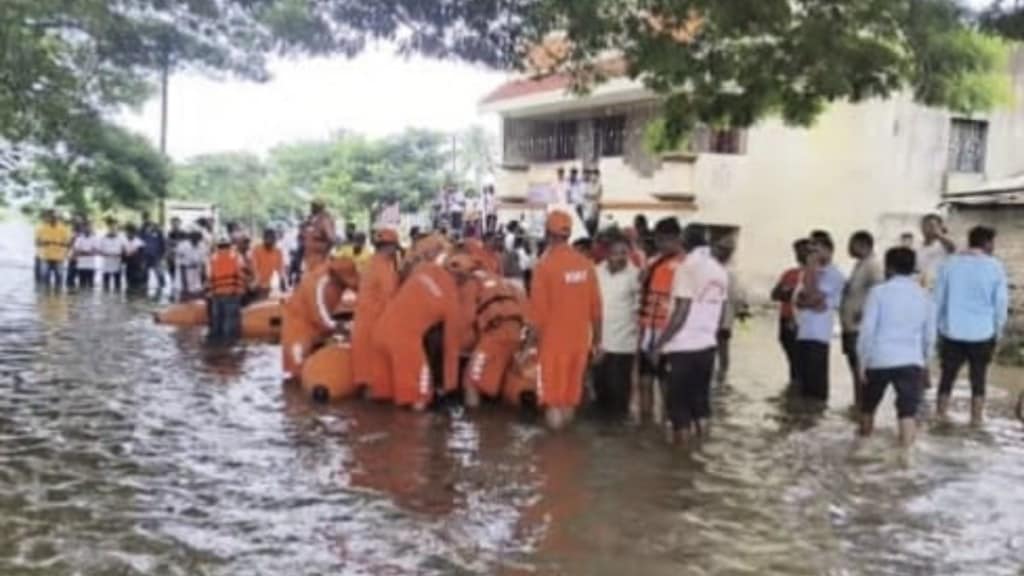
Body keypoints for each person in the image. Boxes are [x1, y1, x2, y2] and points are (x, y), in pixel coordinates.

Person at [650, 224, 728, 444]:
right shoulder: (719, 269)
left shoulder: (687, 268)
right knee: (701, 405)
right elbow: (721, 313)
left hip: (683, 347)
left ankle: (681, 461)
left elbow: (681, 312)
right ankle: (701, 451)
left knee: (679, 409)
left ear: (684, 241)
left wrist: (659, 345)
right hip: (707, 347)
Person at [529, 210, 602, 430]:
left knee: (552, 400)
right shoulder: (585, 264)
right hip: (579, 344)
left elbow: (537, 315)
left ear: (547, 233)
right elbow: (597, 309)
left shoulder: (544, 266)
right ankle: (567, 452)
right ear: (568, 234)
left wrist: (528, 345)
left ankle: (554, 455)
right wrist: (597, 342)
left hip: (552, 346)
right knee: (569, 400)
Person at [857, 247, 935, 449]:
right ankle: (906, 459)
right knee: (907, 412)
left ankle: (862, 450)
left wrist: (862, 361)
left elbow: (867, 331)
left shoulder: (878, 293)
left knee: (868, 407)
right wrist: (926, 362)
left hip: (879, 359)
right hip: (911, 360)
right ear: (912, 268)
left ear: (888, 267)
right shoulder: (924, 296)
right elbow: (929, 335)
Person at [370, 253, 471, 410]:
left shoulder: (424, 269)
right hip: (404, 344)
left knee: (384, 400)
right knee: (420, 399)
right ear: (462, 280)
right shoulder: (452, 301)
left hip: (379, 334)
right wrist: (449, 388)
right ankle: (414, 433)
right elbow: (451, 349)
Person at [934, 225, 1009, 425]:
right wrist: (998, 332)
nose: (993, 246)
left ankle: (940, 416)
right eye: (992, 242)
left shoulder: (950, 264)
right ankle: (976, 421)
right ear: (986, 243)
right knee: (979, 379)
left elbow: (938, 300)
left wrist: (938, 329)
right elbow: (1000, 305)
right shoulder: (995, 267)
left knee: (947, 377)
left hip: (952, 332)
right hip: (983, 333)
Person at [280, 257, 361, 382]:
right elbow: (322, 319)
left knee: (317, 352)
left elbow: (361, 289)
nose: (345, 286)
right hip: (299, 323)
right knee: (296, 368)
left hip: (319, 325)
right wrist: (346, 328)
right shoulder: (317, 283)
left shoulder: (346, 275)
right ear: (335, 276)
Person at [637, 217, 685, 424]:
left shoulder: (685, 265)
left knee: (666, 385)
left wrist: (664, 341)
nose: (662, 244)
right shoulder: (652, 262)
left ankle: (668, 424)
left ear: (677, 238)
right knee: (644, 381)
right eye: (659, 240)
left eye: (666, 239)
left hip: (669, 333)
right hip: (648, 329)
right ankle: (646, 426)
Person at [794, 231, 847, 401]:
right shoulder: (810, 272)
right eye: (810, 251)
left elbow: (813, 297)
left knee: (816, 388)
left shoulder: (834, 274)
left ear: (828, 250)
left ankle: (816, 421)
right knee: (803, 386)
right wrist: (809, 299)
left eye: (816, 250)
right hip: (803, 332)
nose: (811, 255)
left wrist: (810, 269)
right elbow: (800, 300)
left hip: (819, 335)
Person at [463, 269, 527, 408]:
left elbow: (466, 320)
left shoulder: (470, 284)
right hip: (516, 335)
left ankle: (474, 422)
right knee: (500, 384)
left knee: (471, 382)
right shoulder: (503, 282)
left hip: (495, 335)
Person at [594, 232, 641, 419]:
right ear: (607, 254)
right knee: (599, 393)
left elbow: (640, 311)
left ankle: (619, 438)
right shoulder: (596, 271)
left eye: (624, 253)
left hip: (623, 346)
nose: (620, 257)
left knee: (619, 396)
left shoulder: (636, 276)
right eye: (616, 253)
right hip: (599, 344)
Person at [352, 228, 401, 396]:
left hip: (365, 323)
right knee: (373, 380)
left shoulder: (375, 262)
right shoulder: (382, 267)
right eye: (395, 247)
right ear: (390, 246)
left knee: (367, 377)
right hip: (373, 326)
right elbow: (390, 298)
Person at [840, 231, 884, 409]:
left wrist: (865, 311)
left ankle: (863, 406)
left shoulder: (873, 265)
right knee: (855, 369)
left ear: (862, 244)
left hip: (860, 328)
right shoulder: (860, 264)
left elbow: (879, 290)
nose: (848, 248)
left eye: (851, 244)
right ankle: (858, 403)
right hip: (850, 326)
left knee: (861, 369)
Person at [771, 239, 811, 387]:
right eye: (797, 252)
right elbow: (774, 294)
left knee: (801, 360)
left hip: (802, 321)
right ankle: (794, 387)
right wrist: (790, 294)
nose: (799, 255)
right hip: (785, 319)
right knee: (793, 359)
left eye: (802, 251)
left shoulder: (813, 275)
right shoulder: (789, 273)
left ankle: (799, 387)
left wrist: (790, 293)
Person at [712, 231, 748, 383]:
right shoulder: (729, 273)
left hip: (720, 319)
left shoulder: (728, 273)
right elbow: (740, 297)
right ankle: (721, 378)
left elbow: (738, 296)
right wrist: (741, 313)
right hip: (720, 319)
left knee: (720, 349)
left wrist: (741, 312)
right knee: (722, 349)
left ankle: (721, 378)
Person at [206, 236, 246, 343]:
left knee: (217, 321)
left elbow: (208, 276)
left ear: (218, 246)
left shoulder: (212, 258)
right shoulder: (236, 256)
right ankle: (229, 344)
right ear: (229, 245)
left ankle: (217, 344)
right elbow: (242, 271)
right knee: (230, 321)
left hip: (217, 294)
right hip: (232, 293)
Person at [35, 209, 72, 289]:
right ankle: (46, 297)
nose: (53, 218)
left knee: (59, 278)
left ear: (58, 217)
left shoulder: (64, 229)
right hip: (45, 257)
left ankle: (58, 297)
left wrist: (59, 243)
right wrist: (44, 242)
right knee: (45, 278)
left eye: (55, 217)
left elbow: (69, 244)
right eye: (51, 216)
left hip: (59, 257)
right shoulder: (41, 229)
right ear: (48, 217)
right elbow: (37, 243)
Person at [917, 214, 955, 290]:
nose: (927, 228)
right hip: (922, 290)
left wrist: (939, 234)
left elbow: (952, 248)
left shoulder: (943, 244)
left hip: (940, 289)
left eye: (932, 226)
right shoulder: (917, 247)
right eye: (924, 225)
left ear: (939, 227)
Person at [301, 199, 337, 275]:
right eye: (312, 206)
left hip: (319, 259)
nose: (311, 208)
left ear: (319, 208)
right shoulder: (312, 220)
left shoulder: (324, 220)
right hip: (309, 258)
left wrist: (324, 254)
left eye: (313, 206)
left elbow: (331, 240)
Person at [250, 228, 287, 301]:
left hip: (268, 285)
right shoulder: (257, 249)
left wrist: (282, 281)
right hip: (256, 285)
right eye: (269, 239)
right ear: (264, 239)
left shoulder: (278, 251)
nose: (272, 242)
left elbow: (280, 269)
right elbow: (254, 268)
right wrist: (256, 284)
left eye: (274, 239)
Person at [176, 229, 207, 300]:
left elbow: (203, 261)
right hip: (186, 269)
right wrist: (183, 278)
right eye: (194, 239)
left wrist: (204, 274)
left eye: (198, 239)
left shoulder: (202, 246)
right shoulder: (183, 246)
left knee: (197, 289)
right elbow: (179, 261)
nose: (196, 241)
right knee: (186, 290)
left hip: (197, 270)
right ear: (190, 238)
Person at [98, 219, 126, 292]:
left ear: (116, 228)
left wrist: (120, 254)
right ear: (108, 228)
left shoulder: (121, 238)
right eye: (111, 228)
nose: (112, 229)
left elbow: (124, 250)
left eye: (114, 228)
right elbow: (99, 250)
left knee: (117, 285)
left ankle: (117, 301)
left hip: (117, 263)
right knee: (105, 286)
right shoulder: (103, 238)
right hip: (106, 264)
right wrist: (104, 253)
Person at [140, 212, 167, 289]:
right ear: (143, 218)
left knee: (159, 272)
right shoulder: (141, 229)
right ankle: (144, 288)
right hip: (145, 255)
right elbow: (138, 242)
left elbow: (163, 242)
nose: (146, 219)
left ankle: (163, 287)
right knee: (144, 272)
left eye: (147, 217)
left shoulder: (157, 228)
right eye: (145, 218)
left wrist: (163, 254)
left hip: (156, 255)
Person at [71, 221, 98, 289]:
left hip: (91, 264)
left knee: (91, 284)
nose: (87, 229)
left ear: (91, 228)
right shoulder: (79, 238)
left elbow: (96, 250)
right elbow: (76, 249)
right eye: (85, 227)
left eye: (89, 227)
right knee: (81, 283)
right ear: (83, 229)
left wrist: (85, 252)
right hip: (81, 264)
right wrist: (85, 252)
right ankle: (82, 298)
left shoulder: (95, 238)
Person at [123, 224, 148, 293]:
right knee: (129, 287)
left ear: (134, 233)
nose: (127, 234)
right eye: (127, 232)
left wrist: (142, 267)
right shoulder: (125, 242)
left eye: (129, 232)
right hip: (129, 267)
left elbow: (143, 257)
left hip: (138, 268)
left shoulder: (140, 243)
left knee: (138, 287)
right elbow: (124, 256)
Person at [166, 217, 187, 287]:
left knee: (182, 274)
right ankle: (173, 288)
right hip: (172, 257)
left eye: (176, 224)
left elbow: (185, 244)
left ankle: (183, 289)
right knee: (172, 273)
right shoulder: (169, 233)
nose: (174, 225)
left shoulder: (184, 233)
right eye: (173, 224)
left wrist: (174, 243)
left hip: (181, 257)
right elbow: (168, 244)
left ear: (180, 224)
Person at [583, 169, 603, 237]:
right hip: (588, 206)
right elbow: (585, 195)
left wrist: (592, 197)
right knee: (587, 223)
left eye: (596, 175)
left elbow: (598, 195)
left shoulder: (599, 185)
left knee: (595, 223)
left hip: (595, 206)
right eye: (593, 175)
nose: (594, 177)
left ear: (598, 176)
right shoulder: (588, 184)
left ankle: (594, 236)